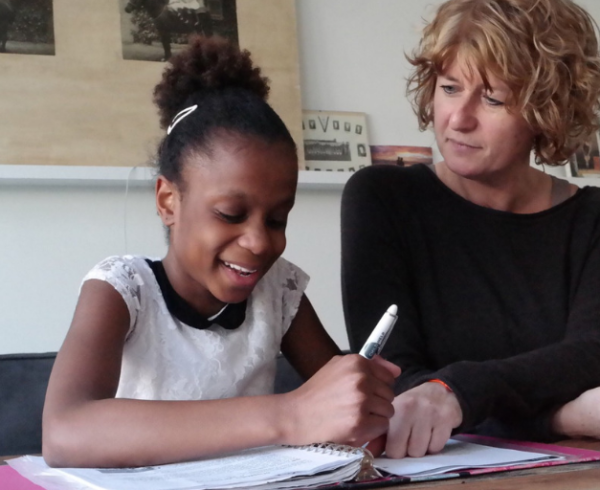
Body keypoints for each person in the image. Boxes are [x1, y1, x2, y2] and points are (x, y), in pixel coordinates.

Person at [42, 36, 399, 468]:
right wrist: (287, 415)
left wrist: (368, 409)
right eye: (231, 214)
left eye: (277, 219)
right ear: (168, 201)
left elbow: (349, 419)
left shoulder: (278, 292)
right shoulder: (122, 290)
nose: (259, 242)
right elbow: (65, 431)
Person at [341, 0, 600, 459]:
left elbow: (589, 355)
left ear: (547, 110)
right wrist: (560, 416)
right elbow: (395, 379)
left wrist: (454, 394)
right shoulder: (382, 198)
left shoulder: (592, 218)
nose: (459, 119)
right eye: (450, 87)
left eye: (493, 98)